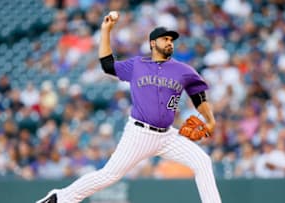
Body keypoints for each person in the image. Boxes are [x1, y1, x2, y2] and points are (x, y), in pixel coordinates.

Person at [37, 12, 222, 203]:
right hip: (139, 134)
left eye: (171, 40)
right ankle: (60, 198)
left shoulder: (183, 70)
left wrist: (209, 119)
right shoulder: (137, 65)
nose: (169, 42)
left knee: (202, 161)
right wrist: (106, 31)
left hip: (167, 136)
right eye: (165, 39)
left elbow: (198, 95)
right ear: (152, 43)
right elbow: (108, 65)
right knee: (109, 175)